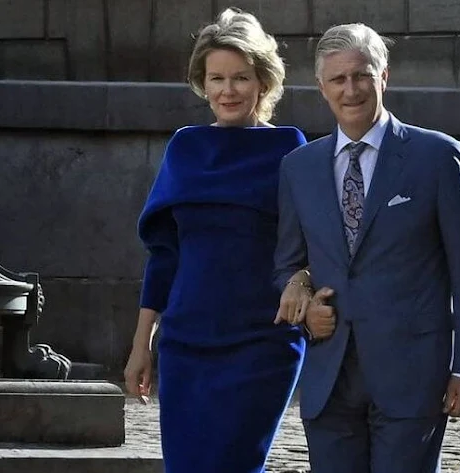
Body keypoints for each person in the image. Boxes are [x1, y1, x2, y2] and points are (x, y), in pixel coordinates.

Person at [273, 22, 460, 473]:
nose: (351, 89)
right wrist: (303, 300)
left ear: (384, 76)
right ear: (321, 87)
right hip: (330, 376)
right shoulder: (299, 167)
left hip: (413, 375)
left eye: (362, 75)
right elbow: (288, 264)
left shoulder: (436, 157)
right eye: (338, 79)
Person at [123, 8, 317, 473]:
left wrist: (305, 280)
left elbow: (321, 242)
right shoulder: (185, 147)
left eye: (241, 78)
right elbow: (164, 255)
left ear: (263, 83)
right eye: (216, 79)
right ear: (202, 84)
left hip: (263, 342)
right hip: (187, 342)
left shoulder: (291, 148)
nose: (228, 91)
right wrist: (140, 344)